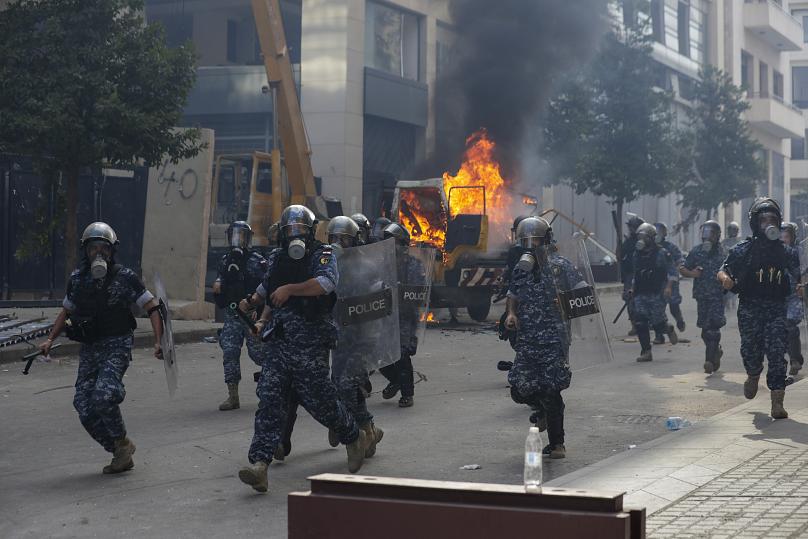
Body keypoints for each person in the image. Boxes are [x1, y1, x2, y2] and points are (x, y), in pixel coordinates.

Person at [237, 205, 371, 493]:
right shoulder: (276, 258)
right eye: (289, 230)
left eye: (300, 230)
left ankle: (352, 435)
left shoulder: (322, 255)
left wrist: (291, 289)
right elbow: (268, 289)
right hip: (280, 342)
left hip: (311, 341)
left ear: (310, 232)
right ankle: (259, 465)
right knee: (270, 398)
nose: (294, 235)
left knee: (319, 399)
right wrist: (252, 306)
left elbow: (326, 284)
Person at [38, 222, 164, 474]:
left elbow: (152, 307)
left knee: (104, 396)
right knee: (83, 406)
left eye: (103, 248)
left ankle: (120, 439)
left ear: (111, 251)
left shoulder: (125, 277)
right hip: (90, 348)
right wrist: (50, 339)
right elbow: (66, 310)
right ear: (86, 250)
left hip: (116, 345)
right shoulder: (77, 280)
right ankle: (120, 448)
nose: (98, 253)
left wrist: (159, 340)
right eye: (93, 247)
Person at [504, 217, 584, 459]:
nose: (530, 245)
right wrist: (510, 314)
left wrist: (566, 302)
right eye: (525, 240)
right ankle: (542, 411)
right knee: (519, 388)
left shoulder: (561, 266)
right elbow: (513, 294)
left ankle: (558, 444)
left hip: (553, 339)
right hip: (528, 338)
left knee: (551, 390)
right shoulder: (522, 268)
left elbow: (582, 294)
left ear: (547, 240)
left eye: (535, 239)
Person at [718, 198, 799, 420]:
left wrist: (801, 285)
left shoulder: (787, 252)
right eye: (764, 220)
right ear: (755, 223)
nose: (768, 224)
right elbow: (723, 270)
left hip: (776, 309)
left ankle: (777, 401)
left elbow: (800, 272)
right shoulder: (743, 250)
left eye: (772, 219)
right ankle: (753, 374)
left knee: (776, 353)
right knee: (751, 350)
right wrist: (725, 279)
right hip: (750, 308)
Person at [212, 221, 269, 411]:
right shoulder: (225, 260)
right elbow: (221, 280)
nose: (237, 240)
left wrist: (259, 311)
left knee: (260, 354)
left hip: (251, 315)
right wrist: (218, 286)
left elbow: (267, 287)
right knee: (229, 351)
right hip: (232, 314)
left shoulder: (257, 261)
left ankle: (273, 387)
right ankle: (233, 395)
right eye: (234, 236)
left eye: (242, 236)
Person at [379, 223, 426, 408]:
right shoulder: (381, 263)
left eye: (394, 242)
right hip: (383, 314)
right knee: (380, 356)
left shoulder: (414, 265)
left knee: (402, 355)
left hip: (405, 315)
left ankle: (407, 394)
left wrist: (399, 290)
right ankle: (396, 380)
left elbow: (417, 290)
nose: (391, 245)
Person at [680, 221, 726, 374]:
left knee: (713, 329)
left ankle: (709, 361)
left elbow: (734, 270)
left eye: (711, 233)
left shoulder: (723, 253)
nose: (707, 236)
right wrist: (692, 273)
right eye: (705, 232)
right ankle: (716, 352)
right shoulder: (697, 251)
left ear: (717, 235)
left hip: (717, 296)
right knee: (705, 331)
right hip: (701, 296)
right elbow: (683, 268)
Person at [631, 222, 678, 362]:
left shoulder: (662, 253)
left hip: (657, 293)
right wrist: (632, 288)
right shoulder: (636, 254)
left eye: (644, 237)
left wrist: (669, 287)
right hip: (641, 292)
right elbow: (636, 274)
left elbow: (672, 272)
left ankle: (667, 328)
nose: (641, 239)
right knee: (640, 321)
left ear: (651, 238)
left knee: (656, 323)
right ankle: (646, 351)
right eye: (639, 236)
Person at [780, 222, 804, 377]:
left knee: (790, 326)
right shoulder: (773, 252)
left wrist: (803, 284)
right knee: (779, 331)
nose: (784, 239)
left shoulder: (800, 252)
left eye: (787, 236)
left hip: (795, 295)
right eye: (781, 236)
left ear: (793, 237)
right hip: (778, 297)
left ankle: (795, 360)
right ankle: (788, 361)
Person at [654, 222, 686, 339]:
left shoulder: (670, 247)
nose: (657, 234)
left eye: (660, 231)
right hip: (657, 283)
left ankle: (679, 319)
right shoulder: (650, 248)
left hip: (671, 282)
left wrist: (675, 271)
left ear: (664, 233)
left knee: (673, 306)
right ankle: (659, 335)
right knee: (657, 309)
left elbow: (680, 261)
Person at [620, 214, 645, 336]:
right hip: (629, 275)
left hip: (642, 275)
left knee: (643, 300)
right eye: (630, 227)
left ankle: (646, 323)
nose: (631, 230)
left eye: (633, 227)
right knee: (629, 300)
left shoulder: (644, 241)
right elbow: (620, 256)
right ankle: (635, 325)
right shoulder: (628, 241)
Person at [722, 221, 741, 313]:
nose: (732, 231)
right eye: (730, 229)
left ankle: (733, 303)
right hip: (726, 267)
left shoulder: (740, 242)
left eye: (733, 230)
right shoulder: (724, 242)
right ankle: (727, 304)